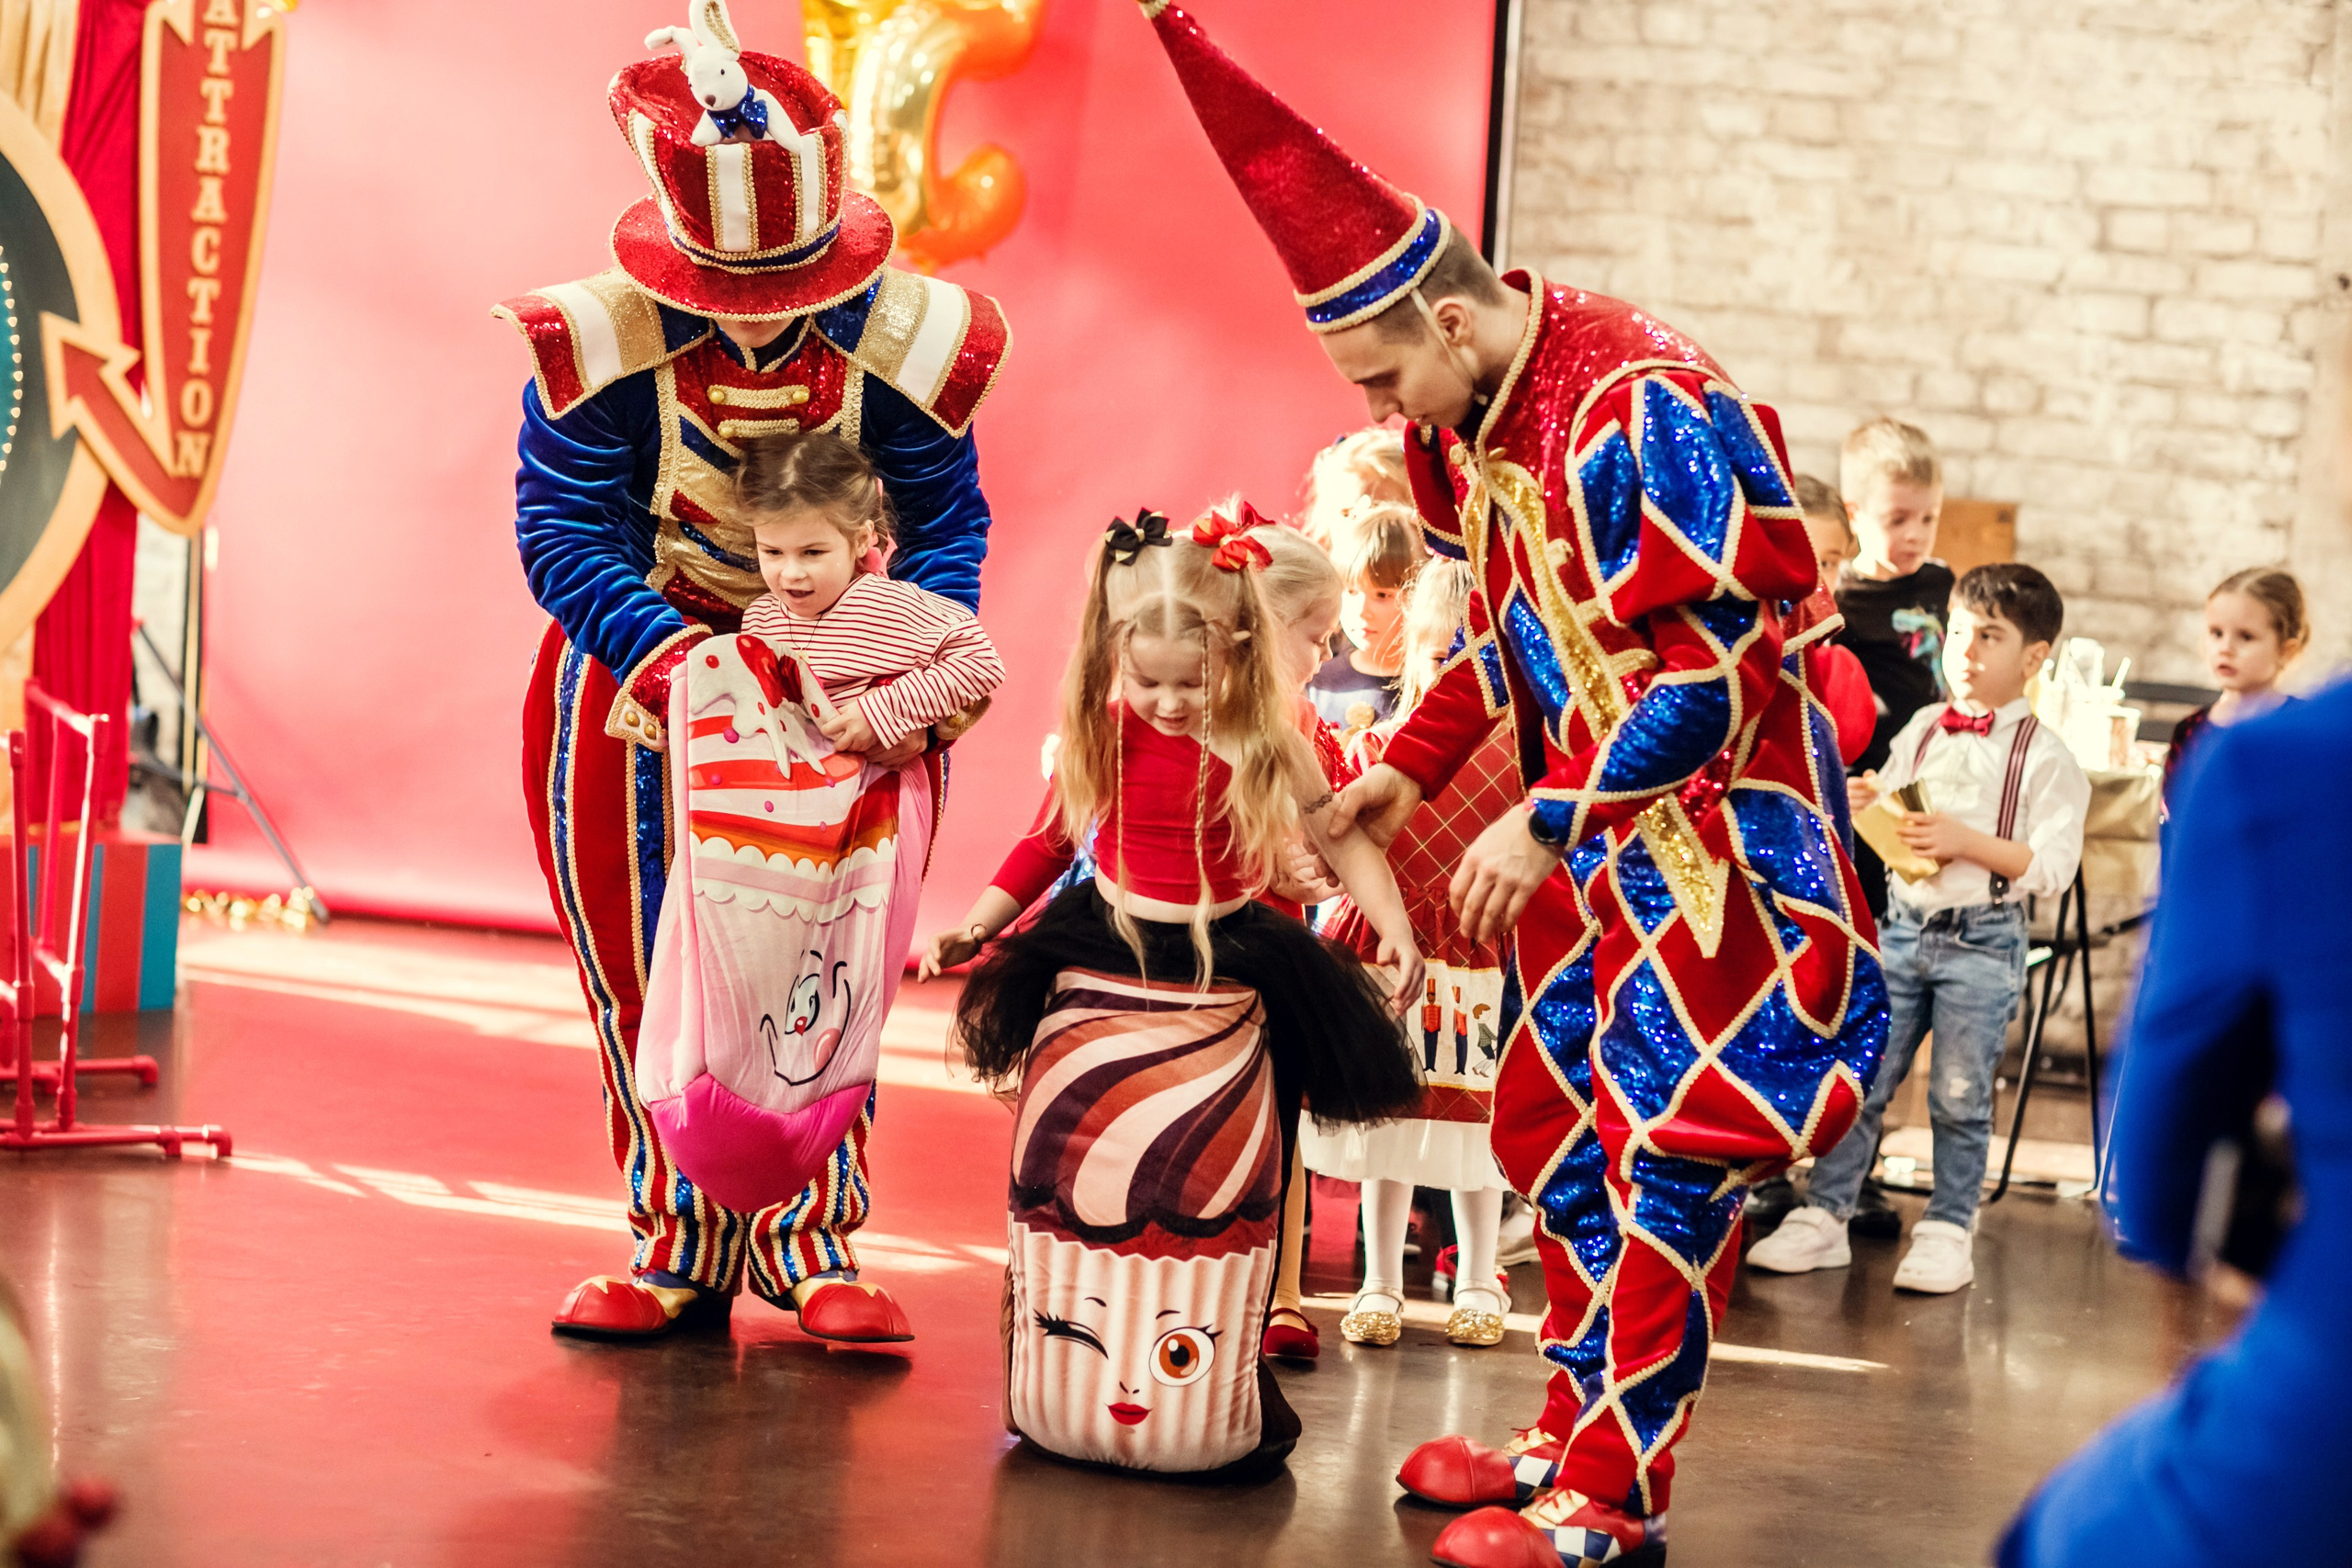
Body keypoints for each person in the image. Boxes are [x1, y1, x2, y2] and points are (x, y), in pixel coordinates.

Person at [1134, 6, 1886, 1558]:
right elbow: (1514, 636)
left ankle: (1611, 1500)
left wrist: (1550, 819)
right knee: (1560, 1140)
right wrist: (1402, 782)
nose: (1376, 412)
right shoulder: (1473, 420)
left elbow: (1717, 672)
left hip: (1721, 871)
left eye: (1380, 373)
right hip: (1600, 865)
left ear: (1454, 327)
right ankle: (1559, 1436)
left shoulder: (1642, 409)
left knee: (1665, 1161)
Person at [503, 3, 1009, 1344]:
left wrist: (890, 654)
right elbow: (561, 527)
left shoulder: (908, 337)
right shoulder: (600, 337)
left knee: (828, 957)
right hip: (639, 675)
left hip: (848, 677)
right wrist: (685, 669)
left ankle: (811, 1239)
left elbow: (949, 518)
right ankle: (675, 1238)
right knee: (642, 959)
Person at [920, 513, 1424, 1474]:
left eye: (1185, 685)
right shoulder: (1104, 731)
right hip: (1110, 935)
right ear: (1116, 658)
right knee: (1076, 1159)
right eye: (1143, 680)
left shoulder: (1268, 739)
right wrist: (981, 922)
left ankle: (1217, 1355)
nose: (1161, 701)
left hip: (1230, 949)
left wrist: (1390, 921)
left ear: (1234, 655)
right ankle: (1063, 1362)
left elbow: (1343, 834)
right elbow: (1049, 841)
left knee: (1220, 1156)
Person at [1998, 683, 2352, 1567]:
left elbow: (2169, 1105)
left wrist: (2170, 1246)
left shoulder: (2283, 762)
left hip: (2333, 1374)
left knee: (2056, 1541)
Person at [1748, 564, 2088, 1292]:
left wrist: (1964, 839)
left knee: (1960, 1095)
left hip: (1984, 939)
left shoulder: (2046, 757)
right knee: (1866, 1079)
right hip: (1903, 929)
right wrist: (1872, 799)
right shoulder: (1926, 727)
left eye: (1989, 637)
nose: (1965, 651)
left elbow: (2052, 864)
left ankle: (1947, 1227)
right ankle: (1826, 1214)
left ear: (2035, 656)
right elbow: (1897, 817)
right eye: (1958, 632)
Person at [1304, 560, 1519, 1352]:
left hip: (1476, 952)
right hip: (1391, 956)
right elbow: (1344, 845)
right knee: (1386, 1124)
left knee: (1474, 1125)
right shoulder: (1383, 752)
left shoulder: (1519, 765)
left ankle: (1477, 1276)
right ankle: (1380, 1280)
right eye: (1436, 656)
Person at [738, 432, 1004, 751]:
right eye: (772, 552)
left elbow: (980, 662)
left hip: (876, 793)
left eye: (813, 552)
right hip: (789, 795)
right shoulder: (759, 619)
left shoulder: (891, 606)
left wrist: (884, 712)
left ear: (862, 539)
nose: (791, 573)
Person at [1833, 418, 1953, 919]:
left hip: (1937, 777)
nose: (1916, 536)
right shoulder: (1840, 602)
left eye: (1929, 518)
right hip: (1870, 791)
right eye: (1898, 519)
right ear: (1855, 514)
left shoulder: (1942, 584)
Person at [2162, 567, 2307, 803]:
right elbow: (2173, 813)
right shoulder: (2190, 731)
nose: (2225, 648)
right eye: (2216, 633)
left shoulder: (2304, 728)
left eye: (2246, 636)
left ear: (2285, 650)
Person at [1307, 502, 1421, 734]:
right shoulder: (1316, 680)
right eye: (1351, 591)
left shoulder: (1429, 687)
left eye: (1382, 594)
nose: (1360, 610)